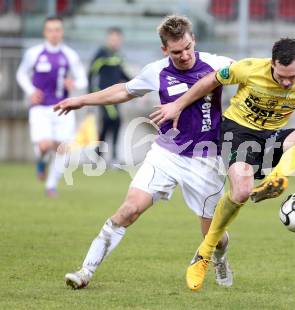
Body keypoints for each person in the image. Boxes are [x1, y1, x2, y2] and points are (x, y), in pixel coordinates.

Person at [151, 38, 295, 291]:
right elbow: (211, 79)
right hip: (237, 132)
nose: (287, 82)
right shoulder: (248, 68)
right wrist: (178, 105)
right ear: (272, 64)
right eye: (281, 76)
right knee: (242, 191)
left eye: (293, 76)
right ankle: (204, 254)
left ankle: (275, 180)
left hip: (269, 136)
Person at [54, 15, 234, 289]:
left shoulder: (217, 64)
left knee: (214, 235)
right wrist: (81, 100)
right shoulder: (157, 70)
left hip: (205, 159)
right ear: (165, 50)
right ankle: (85, 272)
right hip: (166, 154)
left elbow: (251, 74)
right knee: (129, 210)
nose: (184, 55)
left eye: (188, 47)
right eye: (176, 51)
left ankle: (220, 259)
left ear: (193, 39)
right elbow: (123, 91)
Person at [16, 16, 88, 197]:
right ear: (44, 32)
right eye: (50, 30)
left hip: (63, 108)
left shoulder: (69, 55)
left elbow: (82, 79)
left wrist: (73, 83)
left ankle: (51, 185)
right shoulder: (34, 53)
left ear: (62, 32)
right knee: (44, 145)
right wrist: (31, 90)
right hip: (40, 108)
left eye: (57, 30)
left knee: (63, 148)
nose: (54, 33)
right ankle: (41, 161)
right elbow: (21, 74)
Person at [88, 27, 131, 165]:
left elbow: (122, 74)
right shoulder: (101, 53)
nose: (115, 42)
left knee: (109, 124)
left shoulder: (118, 56)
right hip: (103, 94)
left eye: (118, 39)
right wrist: (91, 95)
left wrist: (136, 84)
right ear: (108, 39)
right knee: (114, 120)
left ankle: (100, 154)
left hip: (116, 95)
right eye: (113, 39)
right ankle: (112, 157)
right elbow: (91, 73)